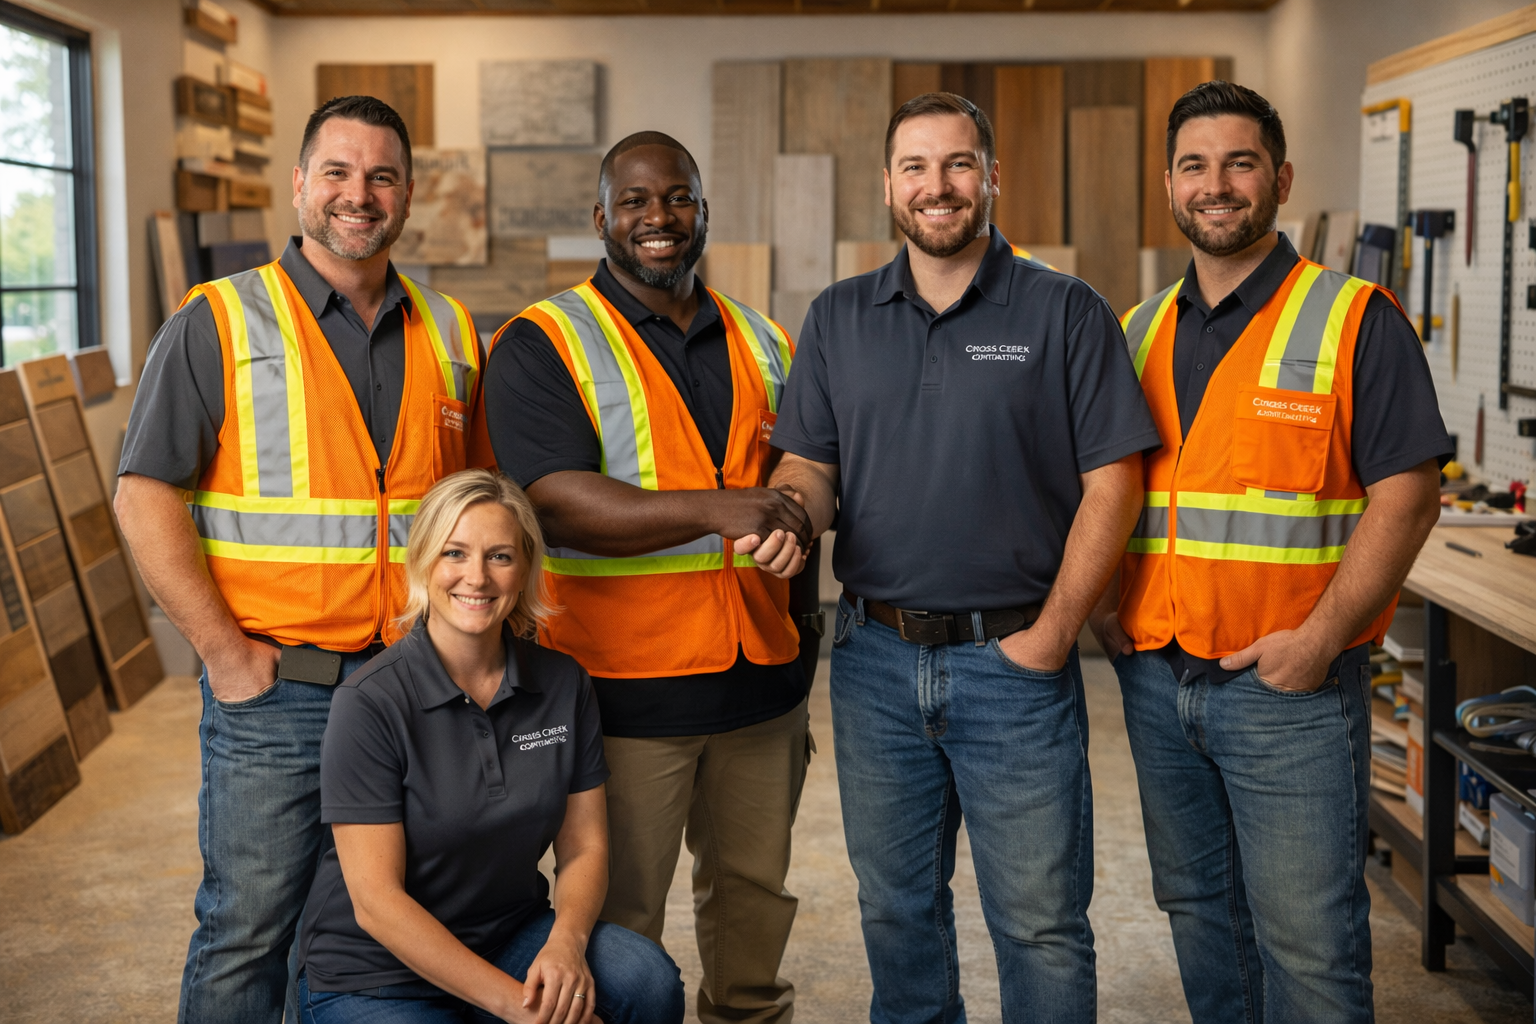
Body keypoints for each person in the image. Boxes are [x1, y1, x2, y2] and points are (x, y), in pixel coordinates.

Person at [764, 92, 1158, 1024]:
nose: (936, 187)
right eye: (915, 167)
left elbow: (1116, 484)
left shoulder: (1065, 310)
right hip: (874, 662)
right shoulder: (838, 316)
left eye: (956, 165)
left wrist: (1056, 634)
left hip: (1015, 666)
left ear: (989, 177)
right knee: (896, 911)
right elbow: (810, 466)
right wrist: (792, 512)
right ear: (889, 185)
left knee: (1039, 924)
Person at [115, 95, 491, 1024]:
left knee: (357, 928)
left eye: (381, 177)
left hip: (408, 688)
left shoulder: (450, 333)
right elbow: (142, 492)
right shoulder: (217, 321)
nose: (357, 195)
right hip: (275, 690)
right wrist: (225, 656)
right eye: (337, 172)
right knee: (248, 926)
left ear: (407, 196)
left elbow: (473, 507)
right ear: (299, 185)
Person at [1087, 81, 1449, 1024]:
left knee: (1310, 941)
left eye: (1240, 162)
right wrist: (1099, 607)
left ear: (1280, 177)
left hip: (1288, 689)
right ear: (1168, 183)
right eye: (1196, 166)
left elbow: (1409, 498)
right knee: (1203, 916)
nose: (1218, 185)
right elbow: (1111, 492)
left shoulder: (1355, 318)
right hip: (1161, 682)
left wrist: (1320, 640)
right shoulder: (1135, 331)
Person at [483, 131, 811, 1024]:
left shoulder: (765, 338)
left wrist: (804, 633)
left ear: (703, 213)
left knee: (755, 906)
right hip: (622, 698)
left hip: (760, 688)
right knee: (619, 933)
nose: (657, 217)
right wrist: (719, 507)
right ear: (600, 219)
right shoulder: (541, 342)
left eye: (676, 198)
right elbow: (550, 500)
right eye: (634, 201)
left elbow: (797, 487)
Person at [292, 469, 684, 1024]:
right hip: (376, 974)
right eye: (455, 553)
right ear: (424, 561)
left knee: (645, 980)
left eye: (499, 556)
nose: (476, 577)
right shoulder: (370, 701)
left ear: (524, 570)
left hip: (508, 937)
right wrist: (521, 1011)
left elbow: (584, 846)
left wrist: (566, 943)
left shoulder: (563, 683)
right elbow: (378, 904)